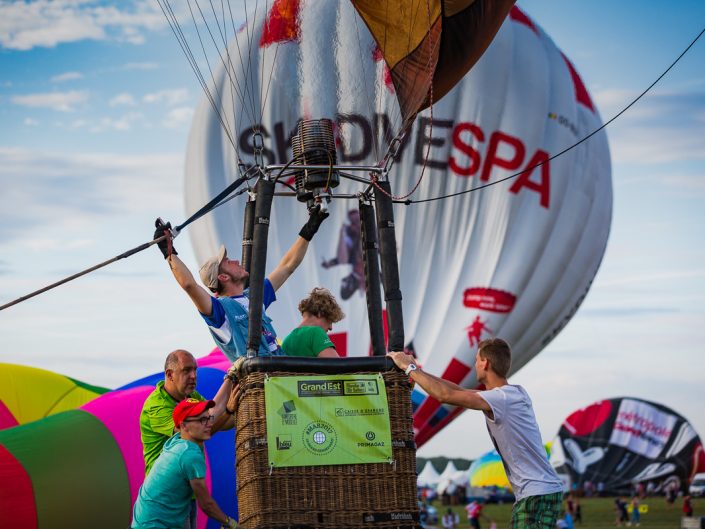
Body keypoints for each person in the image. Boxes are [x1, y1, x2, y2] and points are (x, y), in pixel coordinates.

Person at [388, 338, 563, 529]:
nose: (475, 364)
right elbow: (457, 390)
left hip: (536, 493)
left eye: (477, 359)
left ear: (485, 363)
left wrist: (409, 368)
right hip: (540, 491)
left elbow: (445, 395)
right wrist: (418, 371)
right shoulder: (514, 393)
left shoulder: (500, 398)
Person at [154, 207, 327, 361]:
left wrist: (310, 228)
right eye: (228, 262)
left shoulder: (254, 295)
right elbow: (189, 285)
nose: (236, 261)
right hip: (261, 379)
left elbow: (287, 266)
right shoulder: (219, 311)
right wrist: (168, 251)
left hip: (281, 369)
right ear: (223, 277)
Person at [140, 350, 234, 528]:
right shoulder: (156, 405)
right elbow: (201, 427)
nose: (193, 376)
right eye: (186, 370)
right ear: (170, 374)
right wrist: (231, 377)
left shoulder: (191, 399)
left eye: (195, 370)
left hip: (185, 493)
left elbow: (218, 423)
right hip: (165, 497)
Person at [132, 399, 237, 529]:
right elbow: (206, 505)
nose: (209, 423)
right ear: (183, 426)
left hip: (141, 522)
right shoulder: (189, 454)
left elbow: (209, 430)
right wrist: (230, 523)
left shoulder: (176, 441)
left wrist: (227, 412)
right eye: (201, 420)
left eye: (208, 418)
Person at [281, 287, 343, 358]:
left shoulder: (286, 341)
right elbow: (336, 366)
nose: (330, 328)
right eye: (330, 320)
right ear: (320, 313)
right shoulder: (316, 332)